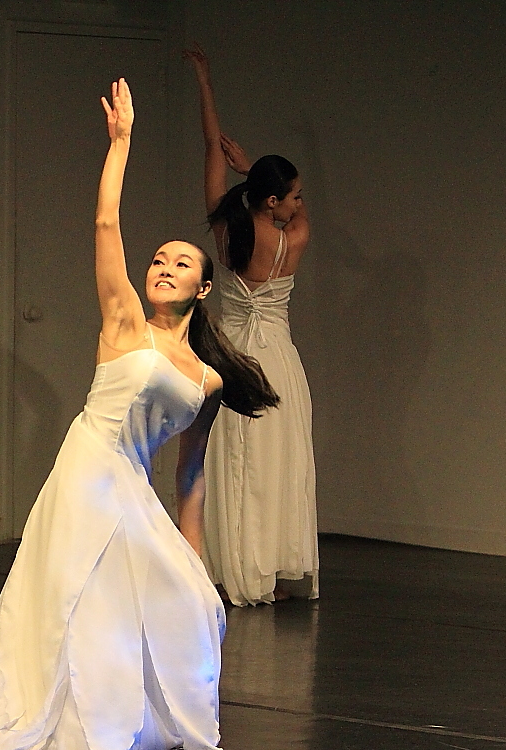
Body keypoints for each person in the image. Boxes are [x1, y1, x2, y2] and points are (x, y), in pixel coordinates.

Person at [0, 79, 278, 750]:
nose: (164, 268)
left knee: (158, 600)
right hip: (87, 467)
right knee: (75, 595)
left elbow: (191, 475)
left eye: (181, 263)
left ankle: (117, 714)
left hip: (132, 488)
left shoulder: (208, 379)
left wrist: (196, 561)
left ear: (204, 287)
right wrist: (119, 146)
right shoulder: (124, 323)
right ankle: (63, 717)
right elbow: (104, 228)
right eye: (159, 259)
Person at [183, 45, 319, 606]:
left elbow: (210, 147)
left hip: (232, 352)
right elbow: (298, 214)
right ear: (274, 200)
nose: (299, 204)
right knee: (273, 465)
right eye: (293, 196)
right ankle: (267, 570)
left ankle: (228, 566)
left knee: (231, 460)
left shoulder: (230, 230)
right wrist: (252, 171)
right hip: (278, 360)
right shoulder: (295, 238)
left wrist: (204, 82)